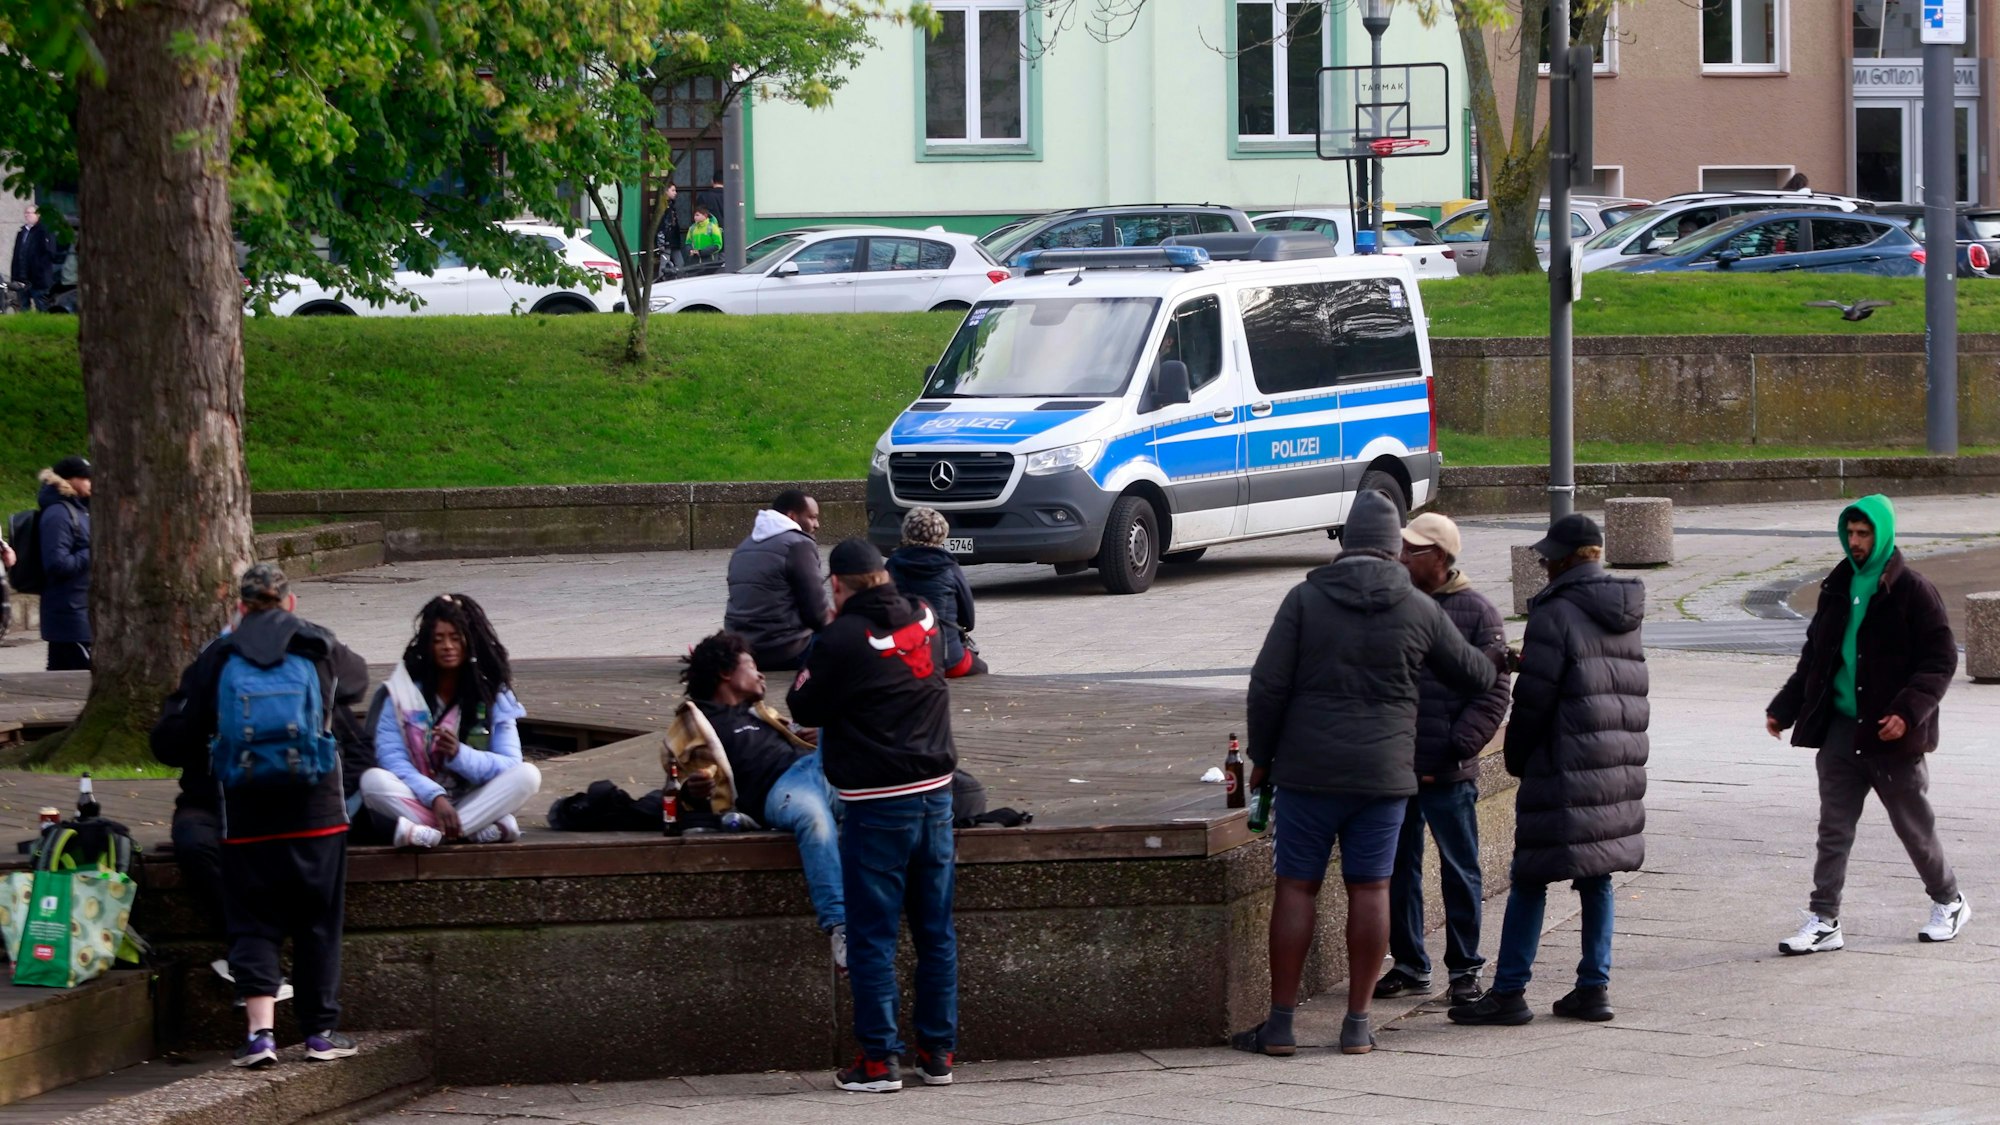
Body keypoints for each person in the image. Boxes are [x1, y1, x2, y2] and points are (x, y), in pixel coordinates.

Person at [1233, 491, 1499, 1058]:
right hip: (1383, 778)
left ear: (1347, 541)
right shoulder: (1419, 608)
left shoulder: (1305, 599)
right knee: (1372, 888)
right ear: (1392, 547)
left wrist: (1263, 759)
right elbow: (1477, 675)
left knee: (1296, 887)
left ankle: (1280, 1026)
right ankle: (1356, 1026)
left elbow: (1267, 687)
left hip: (1307, 773)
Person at [149, 564, 368, 1067]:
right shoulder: (319, 645)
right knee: (318, 922)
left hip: (246, 814)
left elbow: (177, 734)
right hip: (317, 814)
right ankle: (319, 1033)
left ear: (240, 607)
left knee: (252, 921)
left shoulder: (220, 655)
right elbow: (356, 683)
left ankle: (260, 1036)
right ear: (290, 602)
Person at [1450, 514, 1647, 1027]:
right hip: (1612, 761)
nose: (1542, 564)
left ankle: (1509, 991)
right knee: (1597, 874)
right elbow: (1597, 675)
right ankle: (1593, 989)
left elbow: (1536, 701)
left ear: (1564, 560)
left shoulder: (1554, 611)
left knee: (1530, 876)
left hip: (1563, 762)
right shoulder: (1622, 610)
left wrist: (1515, 757)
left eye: (1546, 558)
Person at [789, 539, 958, 1094]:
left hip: (878, 801)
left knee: (871, 934)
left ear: (836, 584)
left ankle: (880, 1061)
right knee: (935, 931)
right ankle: (937, 1053)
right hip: (937, 796)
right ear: (883, 575)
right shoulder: (925, 616)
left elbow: (803, 704)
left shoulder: (839, 638)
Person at [1767, 495, 1966, 954]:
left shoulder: (1913, 590)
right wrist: (1784, 707)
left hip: (1890, 735)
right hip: (1840, 731)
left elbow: (1940, 660)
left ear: (1883, 535)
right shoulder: (1836, 587)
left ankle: (1949, 901)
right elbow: (1815, 659)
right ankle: (1824, 919)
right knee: (1833, 830)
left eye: (1864, 533)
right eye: (1850, 533)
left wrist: (1908, 712)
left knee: (1913, 828)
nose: (1855, 542)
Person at [1375, 513, 1511, 1007]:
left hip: (1449, 768)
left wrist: (1459, 743)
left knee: (1460, 868)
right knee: (1398, 867)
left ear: (1439, 556)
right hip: (1396, 764)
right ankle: (1409, 963)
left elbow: (1495, 690)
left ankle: (1465, 967)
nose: (1401, 557)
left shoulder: (1477, 611)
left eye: (1411, 551)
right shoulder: (1395, 603)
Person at [679, 632, 847, 970]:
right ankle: (841, 927)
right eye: (752, 666)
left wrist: (819, 734)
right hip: (782, 788)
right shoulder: (701, 723)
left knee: (888, 787)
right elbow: (679, 777)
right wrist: (690, 790)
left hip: (819, 768)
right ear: (726, 673)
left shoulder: (761, 715)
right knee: (814, 819)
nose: (761, 675)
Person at [360, 594, 541, 848]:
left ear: (471, 641)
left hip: (474, 796)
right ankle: (473, 829)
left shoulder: (492, 694)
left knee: (528, 775)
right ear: (427, 645)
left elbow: (510, 763)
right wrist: (435, 797)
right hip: (422, 798)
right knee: (372, 781)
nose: (447, 646)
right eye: (438, 639)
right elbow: (391, 759)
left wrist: (459, 755)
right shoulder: (402, 693)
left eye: (455, 638)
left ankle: (433, 835)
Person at [724, 489, 831, 672]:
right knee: (859, 636)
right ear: (792, 516)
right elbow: (816, 614)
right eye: (812, 517)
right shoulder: (799, 544)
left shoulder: (744, 546)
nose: (817, 525)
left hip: (743, 650)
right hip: (786, 650)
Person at [885, 507, 985, 678]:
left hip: (902, 659)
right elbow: (968, 620)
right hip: (947, 658)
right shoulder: (949, 566)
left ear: (906, 531)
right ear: (942, 534)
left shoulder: (891, 566)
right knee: (981, 669)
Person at [37, 456, 92, 671]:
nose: (91, 482)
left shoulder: (80, 510)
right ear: (69, 480)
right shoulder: (58, 514)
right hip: (69, 618)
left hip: (80, 613)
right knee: (76, 678)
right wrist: (93, 551)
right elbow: (57, 564)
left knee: (62, 677)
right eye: (86, 477)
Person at [10, 204, 58, 312]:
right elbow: (16, 255)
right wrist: (14, 277)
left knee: (42, 307)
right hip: (22, 278)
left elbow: (50, 253)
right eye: (26, 213)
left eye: (30, 213)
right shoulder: (22, 233)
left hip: (39, 279)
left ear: (38, 214)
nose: (27, 215)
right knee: (23, 307)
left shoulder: (44, 231)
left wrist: (40, 269)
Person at [654, 183, 683, 279]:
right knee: (665, 264)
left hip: (673, 239)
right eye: (673, 190)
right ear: (666, 191)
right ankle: (662, 282)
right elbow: (661, 225)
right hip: (667, 240)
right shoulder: (663, 206)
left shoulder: (671, 205)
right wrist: (661, 242)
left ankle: (679, 281)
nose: (675, 193)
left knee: (679, 263)